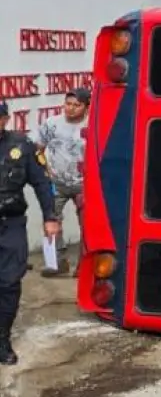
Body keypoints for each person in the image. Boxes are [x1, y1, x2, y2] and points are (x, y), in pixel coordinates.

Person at [0, 100, 61, 365]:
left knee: (9, 282)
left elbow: (41, 182)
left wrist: (50, 217)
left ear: (5, 119)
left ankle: (1, 339)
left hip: (10, 224)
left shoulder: (21, 146)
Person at [35, 87, 89, 277]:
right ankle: (56, 262)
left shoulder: (93, 124)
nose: (71, 108)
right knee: (51, 221)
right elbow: (38, 150)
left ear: (86, 107)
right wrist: (46, 171)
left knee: (88, 225)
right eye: (68, 104)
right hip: (56, 182)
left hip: (85, 184)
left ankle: (84, 266)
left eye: (77, 105)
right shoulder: (52, 124)